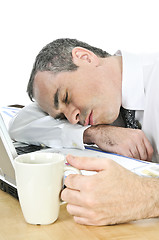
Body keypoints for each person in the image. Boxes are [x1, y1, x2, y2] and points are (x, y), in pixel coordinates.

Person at [9, 38, 159, 225]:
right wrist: (94, 133)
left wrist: (144, 197)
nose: (73, 119)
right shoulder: (103, 105)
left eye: (65, 97)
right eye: (62, 117)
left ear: (85, 57)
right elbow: (21, 124)